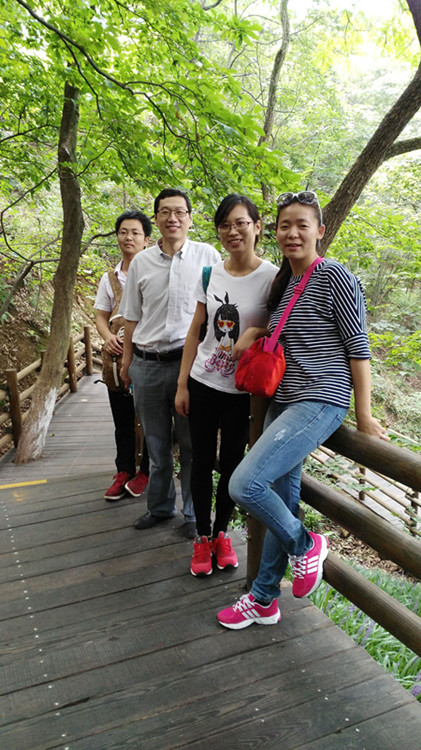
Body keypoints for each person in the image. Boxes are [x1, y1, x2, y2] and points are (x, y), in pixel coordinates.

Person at [216, 190, 390, 629]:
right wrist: (252, 334)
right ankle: (264, 598)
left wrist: (364, 415)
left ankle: (306, 545)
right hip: (284, 402)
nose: (292, 233)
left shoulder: (335, 276)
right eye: (285, 226)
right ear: (274, 233)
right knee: (281, 495)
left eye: (302, 225)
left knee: (244, 483)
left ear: (319, 231)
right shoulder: (287, 283)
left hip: (320, 399)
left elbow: (358, 348)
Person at [175, 194, 278, 576]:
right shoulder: (211, 274)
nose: (233, 231)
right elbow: (195, 332)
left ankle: (222, 533)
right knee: (201, 461)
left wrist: (254, 332)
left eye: (241, 223)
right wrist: (182, 384)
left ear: (257, 226)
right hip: (203, 381)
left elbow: (281, 328)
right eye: (225, 225)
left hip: (242, 391)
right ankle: (202, 537)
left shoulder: (272, 277)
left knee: (233, 464)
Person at [120, 188, 220, 538]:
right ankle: (160, 507)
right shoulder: (142, 262)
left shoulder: (208, 256)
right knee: (156, 444)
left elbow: (220, 309)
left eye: (180, 212)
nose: (172, 218)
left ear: (190, 218)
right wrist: (127, 361)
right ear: (157, 218)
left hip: (189, 367)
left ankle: (192, 513)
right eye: (165, 212)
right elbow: (131, 316)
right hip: (146, 364)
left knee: (192, 444)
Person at [94, 209, 152, 502]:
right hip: (117, 362)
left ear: (146, 239)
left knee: (152, 419)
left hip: (149, 358)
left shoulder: (156, 272)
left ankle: (147, 471)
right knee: (122, 419)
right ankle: (124, 470)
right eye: (123, 232)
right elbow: (100, 316)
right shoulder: (110, 278)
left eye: (135, 233)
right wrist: (107, 338)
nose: (128, 237)